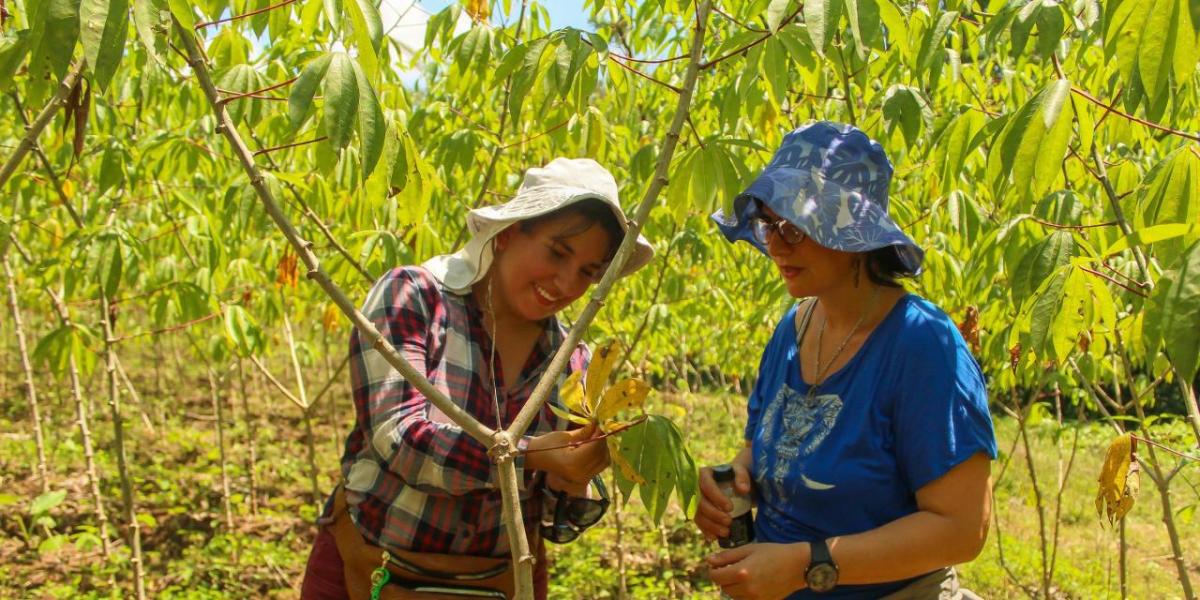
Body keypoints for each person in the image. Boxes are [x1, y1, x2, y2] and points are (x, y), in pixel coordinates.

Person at [300, 158, 654, 600]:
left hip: (498, 582)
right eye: (557, 252)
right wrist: (532, 455)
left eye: (589, 271)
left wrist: (576, 476)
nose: (566, 283)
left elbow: (554, 512)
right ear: (507, 234)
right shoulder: (415, 298)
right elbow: (400, 439)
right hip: (373, 568)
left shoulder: (572, 358)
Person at [695, 122, 997, 599]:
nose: (775, 244)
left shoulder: (922, 344)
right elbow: (766, 445)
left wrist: (807, 565)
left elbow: (961, 530)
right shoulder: (794, 327)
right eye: (770, 224)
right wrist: (733, 482)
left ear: (852, 231)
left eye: (795, 228)